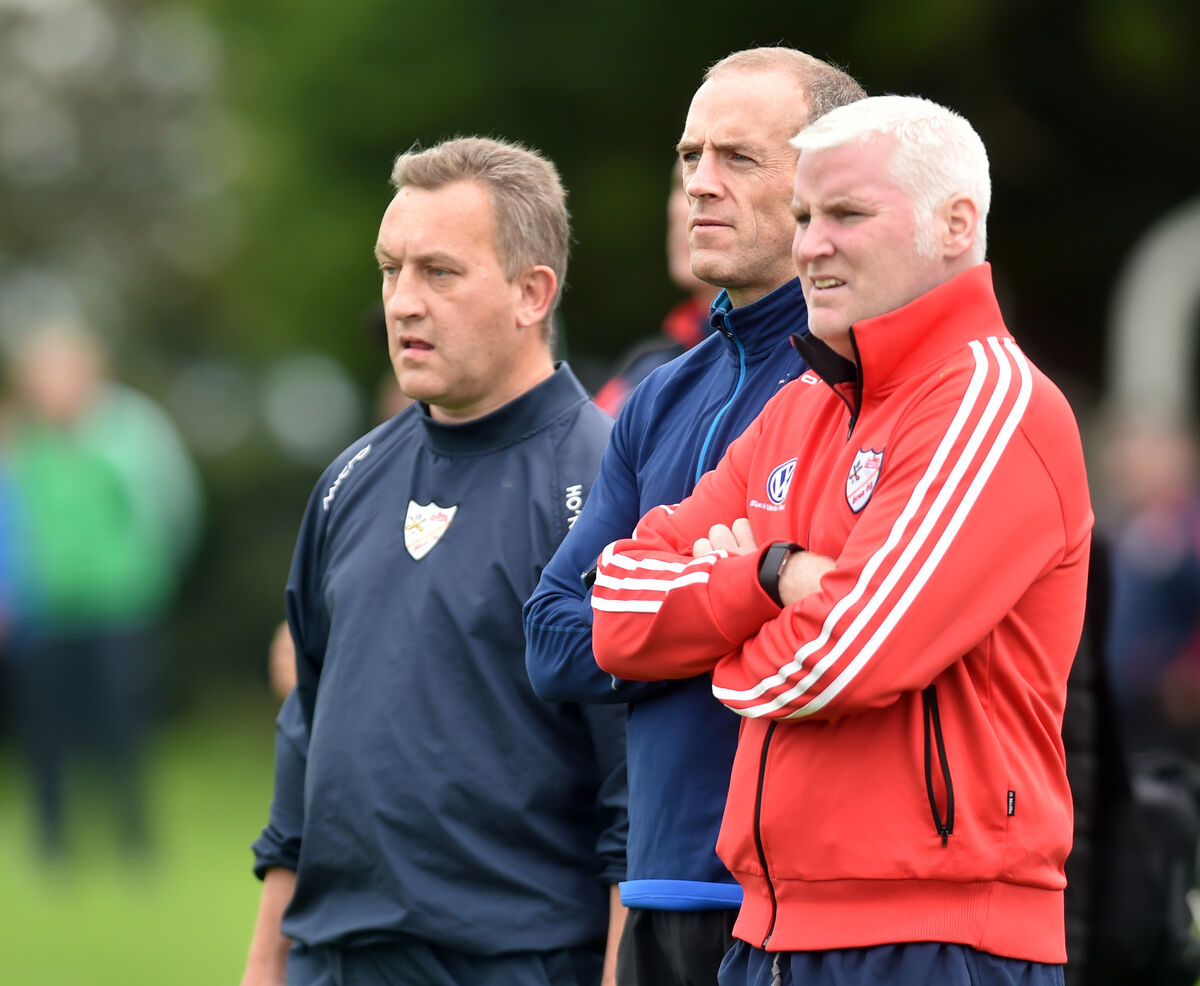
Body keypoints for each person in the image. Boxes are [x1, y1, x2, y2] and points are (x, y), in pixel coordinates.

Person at [589, 96, 1092, 986]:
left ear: (955, 223)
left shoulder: (992, 403)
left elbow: (844, 658)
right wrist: (768, 575)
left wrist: (714, 623)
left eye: (847, 215)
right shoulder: (798, 410)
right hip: (769, 936)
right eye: (804, 217)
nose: (811, 244)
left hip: (938, 944)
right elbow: (615, 611)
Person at [240, 136, 626, 986]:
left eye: (439, 274)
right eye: (391, 270)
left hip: (514, 964)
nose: (401, 304)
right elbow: (304, 749)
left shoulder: (605, 487)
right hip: (334, 961)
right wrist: (265, 966)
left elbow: (637, 802)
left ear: (533, 294)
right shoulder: (349, 480)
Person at [524, 47, 865, 986]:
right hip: (659, 891)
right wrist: (738, 584)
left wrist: (652, 605)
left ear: (827, 179)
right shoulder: (660, 395)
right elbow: (552, 639)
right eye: (689, 157)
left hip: (804, 909)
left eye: (738, 159)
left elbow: (841, 631)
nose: (699, 186)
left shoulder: (872, 385)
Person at [1, 319, 201, 859]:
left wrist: (150, 575)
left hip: (121, 604)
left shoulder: (131, 430)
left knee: (122, 720)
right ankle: (52, 840)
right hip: (44, 610)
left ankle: (134, 838)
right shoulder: (20, 439)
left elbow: (172, 505)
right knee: (45, 727)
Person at [592, 165, 719, 416]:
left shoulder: (805, 364)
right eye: (680, 184)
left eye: (711, 190)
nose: (685, 208)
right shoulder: (643, 368)